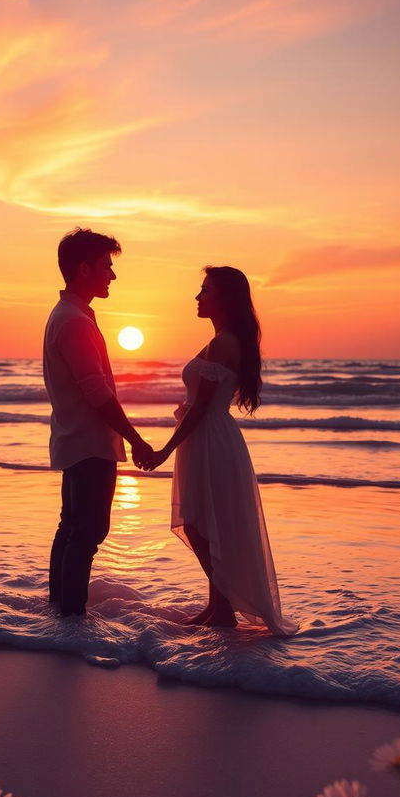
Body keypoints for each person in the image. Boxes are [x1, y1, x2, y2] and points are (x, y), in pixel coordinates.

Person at [143, 267, 297, 636]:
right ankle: (217, 606)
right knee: (202, 521)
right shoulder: (221, 340)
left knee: (201, 522)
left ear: (226, 298)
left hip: (209, 438)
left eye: (205, 290)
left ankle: (223, 607)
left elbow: (199, 409)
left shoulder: (225, 342)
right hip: (207, 437)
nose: (197, 296)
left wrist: (164, 450)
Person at [43, 228, 153, 617]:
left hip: (75, 440)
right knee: (86, 532)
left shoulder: (71, 316)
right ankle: (70, 616)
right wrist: (136, 440)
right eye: (107, 266)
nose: (112, 275)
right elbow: (97, 393)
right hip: (88, 443)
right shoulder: (73, 321)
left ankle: (60, 610)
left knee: (73, 529)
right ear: (83, 268)